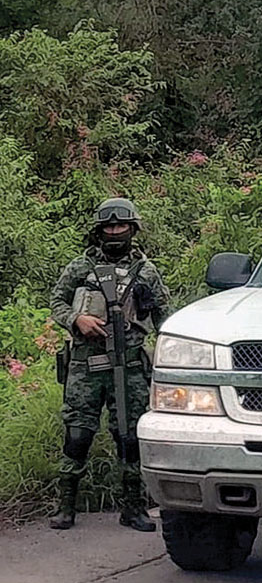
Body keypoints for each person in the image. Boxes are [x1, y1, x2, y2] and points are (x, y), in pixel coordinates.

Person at [47, 198, 170, 531]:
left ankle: (133, 508)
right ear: (98, 231)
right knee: (77, 435)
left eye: (121, 226)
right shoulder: (80, 267)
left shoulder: (146, 270)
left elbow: (165, 318)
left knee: (129, 438)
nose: (115, 232)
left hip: (129, 366)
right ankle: (65, 508)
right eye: (109, 227)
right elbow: (56, 301)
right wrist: (77, 319)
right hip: (86, 366)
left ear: (132, 229)